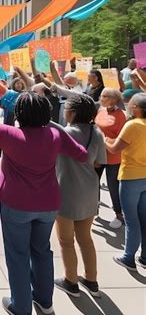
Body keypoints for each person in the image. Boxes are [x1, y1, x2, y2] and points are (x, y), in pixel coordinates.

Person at [0, 57, 88, 315]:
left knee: (18, 255)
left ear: (18, 114)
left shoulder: (8, 134)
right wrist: (52, 126)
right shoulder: (55, 135)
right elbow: (82, 153)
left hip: (15, 204)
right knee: (42, 251)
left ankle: (22, 308)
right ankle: (45, 300)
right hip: (49, 205)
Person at [54, 94, 107, 298]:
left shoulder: (65, 133)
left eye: (65, 108)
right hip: (90, 191)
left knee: (66, 240)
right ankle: (91, 280)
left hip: (67, 191)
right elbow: (99, 162)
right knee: (86, 238)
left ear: (73, 112)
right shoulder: (97, 133)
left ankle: (71, 281)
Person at [105, 93, 146, 271]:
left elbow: (114, 148)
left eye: (131, 104)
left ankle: (128, 258)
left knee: (131, 220)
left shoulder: (133, 125)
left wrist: (104, 138)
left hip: (131, 176)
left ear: (136, 109)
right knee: (144, 219)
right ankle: (144, 257)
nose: (128, 105)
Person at [95, 88, 127, 228]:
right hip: (97, 154)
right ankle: (93, 208)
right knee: (93, 182)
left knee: (113, 186)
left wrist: (105, 139)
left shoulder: (121, 115)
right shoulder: (100, 111)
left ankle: (119, 214)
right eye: (102, 95)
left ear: (115, 99)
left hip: (114, 156)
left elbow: (121, 139)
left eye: (106, 96)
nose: (102, 98)